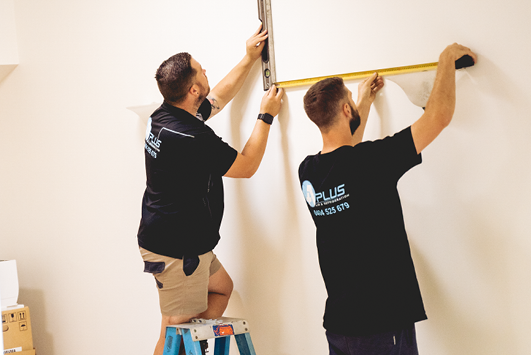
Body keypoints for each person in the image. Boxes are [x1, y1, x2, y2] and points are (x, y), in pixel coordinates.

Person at [298, 43, 476, 354]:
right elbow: (438, 118)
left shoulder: (308, 172)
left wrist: (362, 101)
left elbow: (345, 153)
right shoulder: (372, 162)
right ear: (344, 111)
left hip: (340, 325)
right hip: (381, 325)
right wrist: (446, 59)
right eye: (350, 102)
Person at [138, 26, 284, 355]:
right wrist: (266, 115)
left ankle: (191, 348)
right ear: (192, 89)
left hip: (179, 240)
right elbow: (246, 167)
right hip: (176, 250)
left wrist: (248, 59)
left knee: (220, 289)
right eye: (201, 69)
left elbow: (215, 98)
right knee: (173, 327)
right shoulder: (191, 138)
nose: (206, 70)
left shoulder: (166, 115)